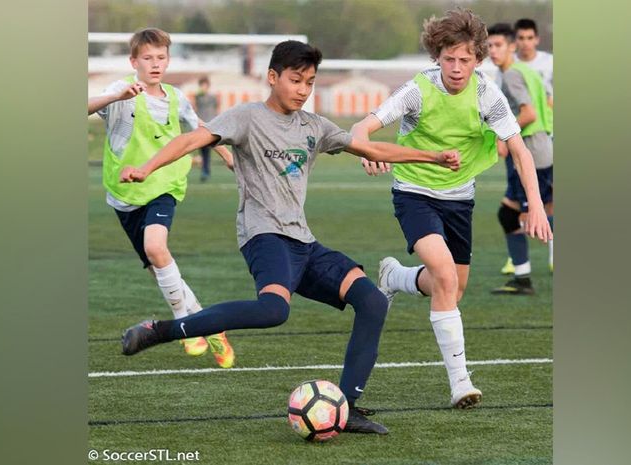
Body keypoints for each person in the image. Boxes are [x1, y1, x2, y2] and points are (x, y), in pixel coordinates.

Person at [119, 40, 461, 435]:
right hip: (264, 236)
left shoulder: (314, 127)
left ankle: (346, 407)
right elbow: (191, 140)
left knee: (370, 301)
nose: (302, 89)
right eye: (295, 80)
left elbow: (368, 145)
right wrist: (146, 167)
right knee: (273, 311)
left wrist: (432, 157)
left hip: (304, 242)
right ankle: (160, 330)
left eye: (310, 82)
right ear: (272, 77)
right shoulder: (247, 118)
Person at [351, 9, 552, 408]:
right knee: (443, 274)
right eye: (448, 59)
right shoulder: (416, 90)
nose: (456, 69)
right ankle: (461, 381)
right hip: (415, 193)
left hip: (460, 199)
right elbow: (363, 127)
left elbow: (520, 150)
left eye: (465, 60)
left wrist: (537, 207)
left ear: (478, 60)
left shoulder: (486, 94)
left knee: (452, 289)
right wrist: (365, 149)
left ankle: (395, 277)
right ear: (435, 57)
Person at [88, 27, 235, 368]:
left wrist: (226, 154)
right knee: (160, 270)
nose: (155, 64)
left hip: (164, 184)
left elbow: (198, 125)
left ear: (167, 60)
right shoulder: (120, 90)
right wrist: (115, 98)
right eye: (147, 58)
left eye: (161, 58)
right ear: (133, 61)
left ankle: (185, 327)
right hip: (125, 195)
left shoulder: (175, 96)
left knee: (157, 248)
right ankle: (212, 328)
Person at [487, 23, 554, 294]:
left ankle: (523, 278)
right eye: (489, 45)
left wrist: (502, 137)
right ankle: (522, 278)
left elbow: (529, 115)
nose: (492, 51)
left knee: (520, 215)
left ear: (512, 46)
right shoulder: (524, 70)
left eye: (498, 45)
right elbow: (546, 102)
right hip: (541, 149)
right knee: (520, 213)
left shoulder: (512, 74)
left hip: (530, 154)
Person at [193, 75, 218, 182]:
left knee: (207, 150)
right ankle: (204, 170)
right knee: (202, 150)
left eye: (205, 85)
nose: (203, 87)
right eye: (201, 85)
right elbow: (195, 106)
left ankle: (205, 171)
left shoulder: (212, 97)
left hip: (210, 125)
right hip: (200, 126)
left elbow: (215, 109)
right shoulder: (198, 96)